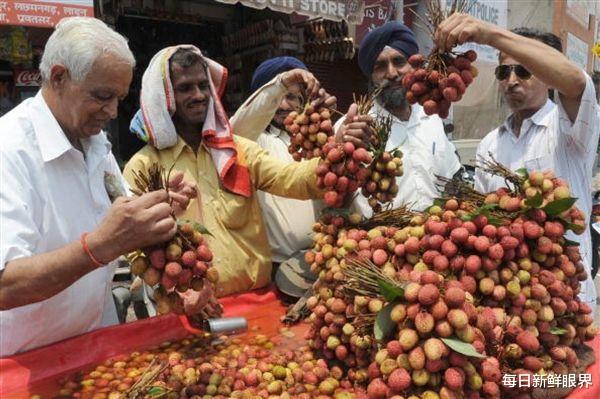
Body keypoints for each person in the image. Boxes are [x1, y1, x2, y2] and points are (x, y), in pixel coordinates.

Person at [0, 18, 194, 356]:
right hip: (25, 360)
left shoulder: (95, 144)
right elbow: (6, 285)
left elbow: (119, 215)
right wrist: (99, 247)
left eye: (119, 97)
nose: (113, 111)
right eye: (103, 96)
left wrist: (154, 213)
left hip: (94, 347)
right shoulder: (9, 150)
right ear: (58, 77)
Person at [124, 45, 327, 298]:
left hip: (256, 301)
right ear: (165, 97)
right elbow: (132, 246)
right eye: (185, 88)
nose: (198, 95)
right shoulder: (143, 167)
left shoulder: (238, 150)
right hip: (186, 308)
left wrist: (338, 157)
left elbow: (291, 179)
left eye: (203, 85)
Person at [435, 14, 600, 308]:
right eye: (503, 72)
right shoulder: (489, 144)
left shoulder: (571, 128)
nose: (511, 81)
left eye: (524, 70)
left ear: (547, 75)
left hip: (565, 297)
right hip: (506, 298)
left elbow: (576, 82)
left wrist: (489, 34)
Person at [335, 21, 462, 215]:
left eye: (399, 61)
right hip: (378, 239)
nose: (392, 73)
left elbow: (450, 175)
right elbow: (335, 196)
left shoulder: (431, 118)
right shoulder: (354, 128)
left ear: (414, 67)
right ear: (370, 76)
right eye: (380, 66)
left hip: (435, 236)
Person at [233, 56, 331, 269]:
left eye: (291, 97)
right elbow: (238, 128)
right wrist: (279, 85)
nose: (284, 105)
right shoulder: (252, 140)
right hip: (276, 265)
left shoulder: (315, 139)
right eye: (277, 99)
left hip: (323, 256)